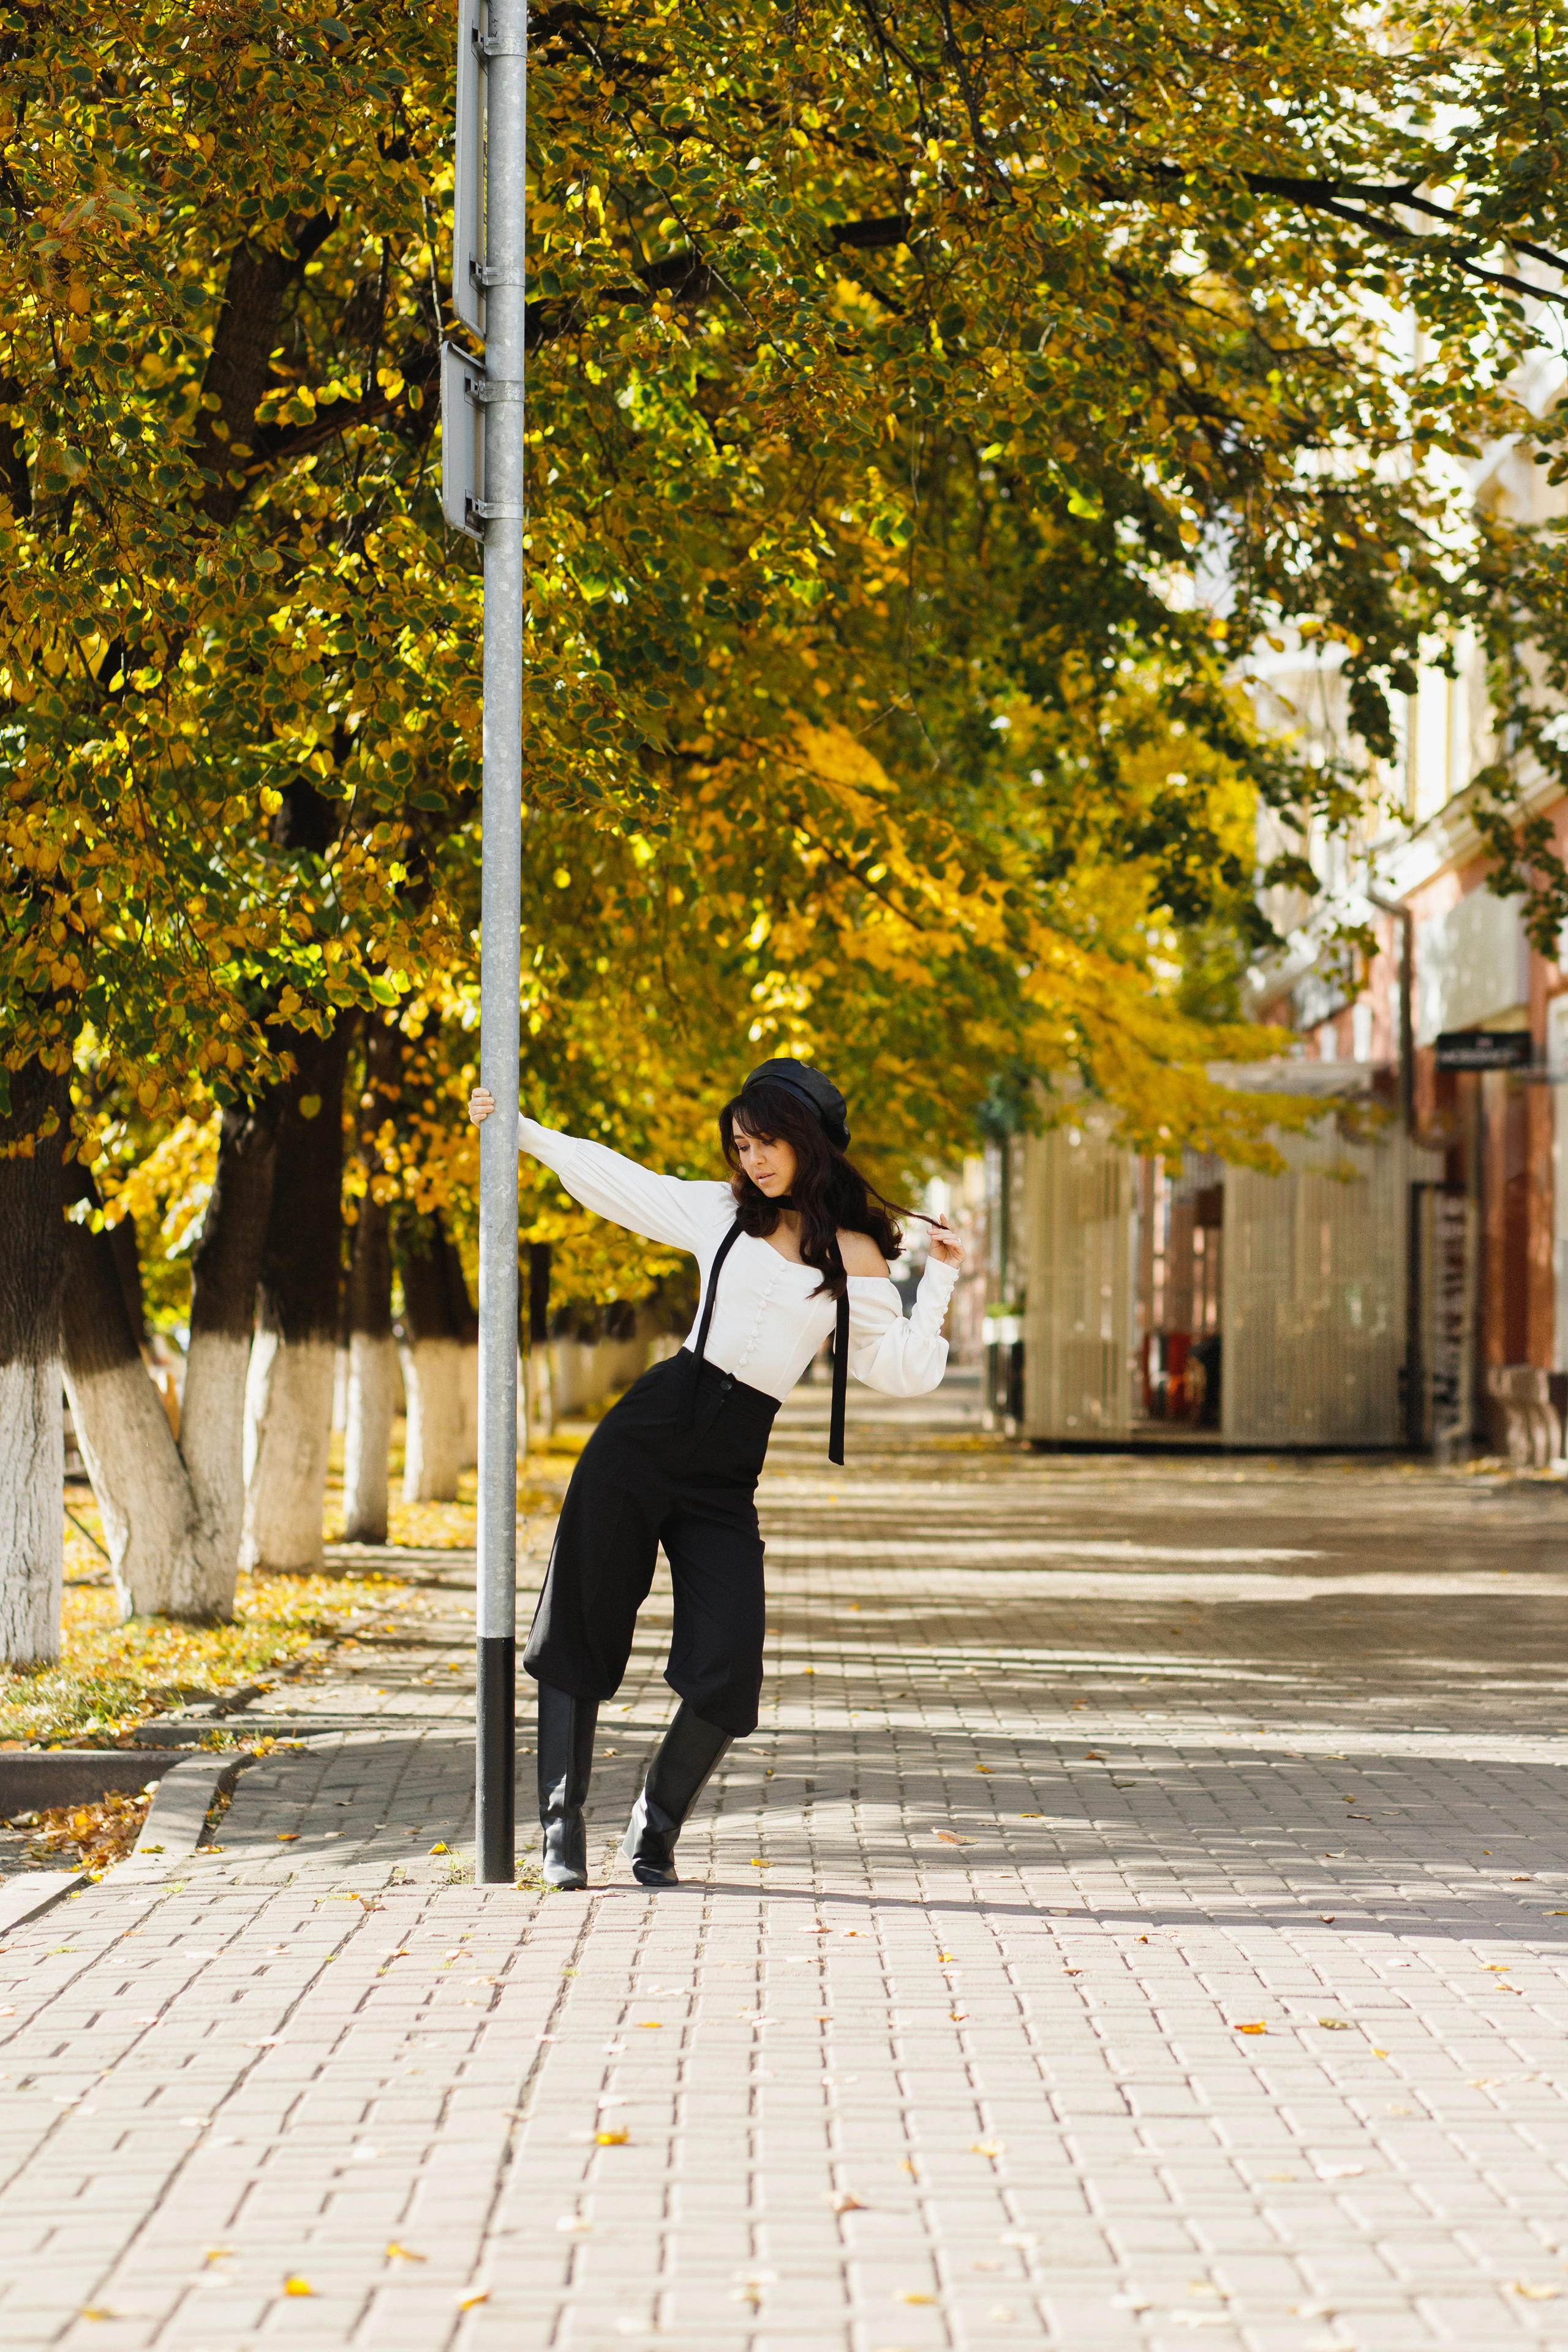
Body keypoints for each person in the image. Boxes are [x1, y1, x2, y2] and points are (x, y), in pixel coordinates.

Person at [467, 1058, 963, 1891]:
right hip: (650, 1429)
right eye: (742, 1144)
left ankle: (655, 1822)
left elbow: (902, 1368)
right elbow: (617, 1179)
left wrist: (941, 1275)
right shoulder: (721, 1210)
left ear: (806, 1141)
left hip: (727, 1468)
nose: (753, 1159)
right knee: (584, 1617)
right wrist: (517, 1129)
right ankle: (561, 1824)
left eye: (767, 1142)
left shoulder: (854, 1255)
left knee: (729, 1662)